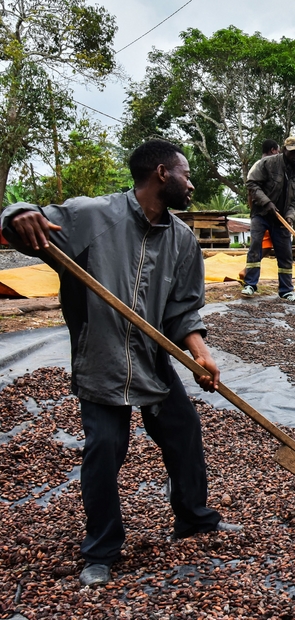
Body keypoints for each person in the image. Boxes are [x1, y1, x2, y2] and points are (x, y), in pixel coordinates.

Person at [0, 139, 239, 588]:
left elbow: (183, 310)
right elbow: (19, 223)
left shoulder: (183, 240)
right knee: (104, 450)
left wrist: (200, 354)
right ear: (162, 174)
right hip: (101, 356)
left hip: (152, 357)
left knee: (184, 432)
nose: (192, 184)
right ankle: (101, 550)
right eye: (186, 174)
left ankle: (194, 519)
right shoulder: (92, 215)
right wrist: (17, 213)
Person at [242, 135, 295, 301]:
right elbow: (252, 183)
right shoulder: (268, 164)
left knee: (285, 253)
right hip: (261, 214)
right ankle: (250, 284)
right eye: (293, 152)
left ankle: (286, 291)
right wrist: (266, 202)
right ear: (284, 150)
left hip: (281, 219)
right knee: (256, 246)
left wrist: (290, 216)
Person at [238, 140, 280, 283]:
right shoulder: (261, 166)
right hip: (262, 213)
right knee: (259, 246)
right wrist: (254, 213)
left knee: (267, 245)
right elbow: (252, 191)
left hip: (270, 213)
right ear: (274, 150)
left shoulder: (269, 166)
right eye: (278, 150)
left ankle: (247, 271)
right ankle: (249, 276)